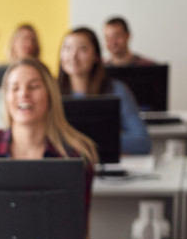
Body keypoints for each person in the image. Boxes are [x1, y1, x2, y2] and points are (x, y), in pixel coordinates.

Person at [0, 58, 98, 212]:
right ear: (6, 97)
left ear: (50, 94)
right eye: (15, 88)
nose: (24, 94)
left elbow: (78, 226)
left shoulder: (75, 154)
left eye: (34, 86)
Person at [57, 27, 152, 155]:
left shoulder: (116, 90)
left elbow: (142, 142)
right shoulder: (50, 92)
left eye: (82, 49)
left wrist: (96, 139)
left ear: (96, 56)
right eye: (67, 48)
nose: (73, 56)